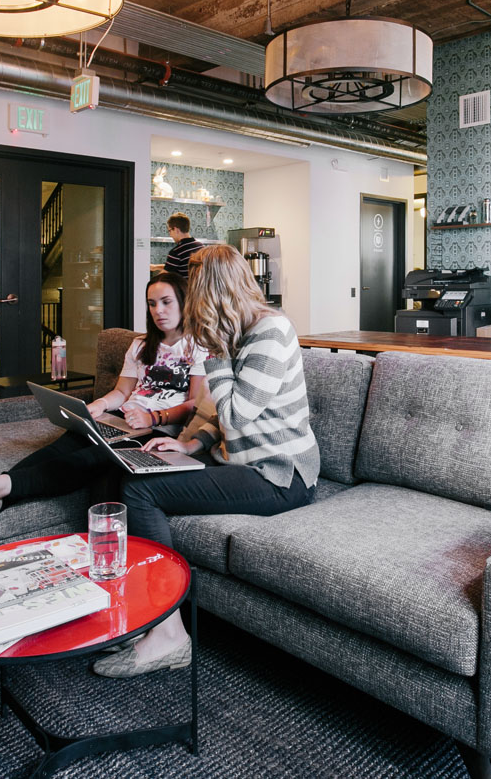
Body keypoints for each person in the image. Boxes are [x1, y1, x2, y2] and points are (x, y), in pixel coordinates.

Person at [91, 244, 319, 678]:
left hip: (279, 474)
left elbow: (235, 415)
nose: (190, 302)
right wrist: (191, 444)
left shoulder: (270, 332)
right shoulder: (239, 331)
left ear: (213, 291)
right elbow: (221, 415)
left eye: (194, 291)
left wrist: (211, 350)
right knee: (119, 470)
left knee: (141, 493)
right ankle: (127, 607)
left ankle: (169, 633)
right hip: (236, 461)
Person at [0, 271, 207, 541]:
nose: (158, 311)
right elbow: (122, 391)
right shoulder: (140, 345)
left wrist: (153, 417)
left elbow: (194, 403)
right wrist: (99, 404)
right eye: (152, 304)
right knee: (60, 447)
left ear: (184, 303)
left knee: (86, 460)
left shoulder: (199, 346)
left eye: (166, 302)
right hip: (122, 418)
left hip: (156, 431)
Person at [162, 212, 202, 279]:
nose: (170, 235)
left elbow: (164, 276)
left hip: (185, 286)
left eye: (169, 231)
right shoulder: (200, 247)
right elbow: (180, 266)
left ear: (176, 230)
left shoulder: (176, 252)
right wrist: (155, 267)